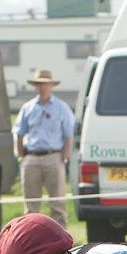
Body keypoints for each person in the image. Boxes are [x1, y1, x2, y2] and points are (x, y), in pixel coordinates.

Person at [13, 69, 78, 226]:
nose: (42, 87)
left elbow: (68, 134)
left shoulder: (61, 108)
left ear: (51, 85)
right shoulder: (28, 108)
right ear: (35, 86)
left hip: (53, 156)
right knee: (31, 205)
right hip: (32, 157)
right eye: (38, 84)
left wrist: (64, 157)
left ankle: (61, 241)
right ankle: (32, 240)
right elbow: (19, 133)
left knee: (58, 203)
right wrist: (22, 156)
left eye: (45, 84)